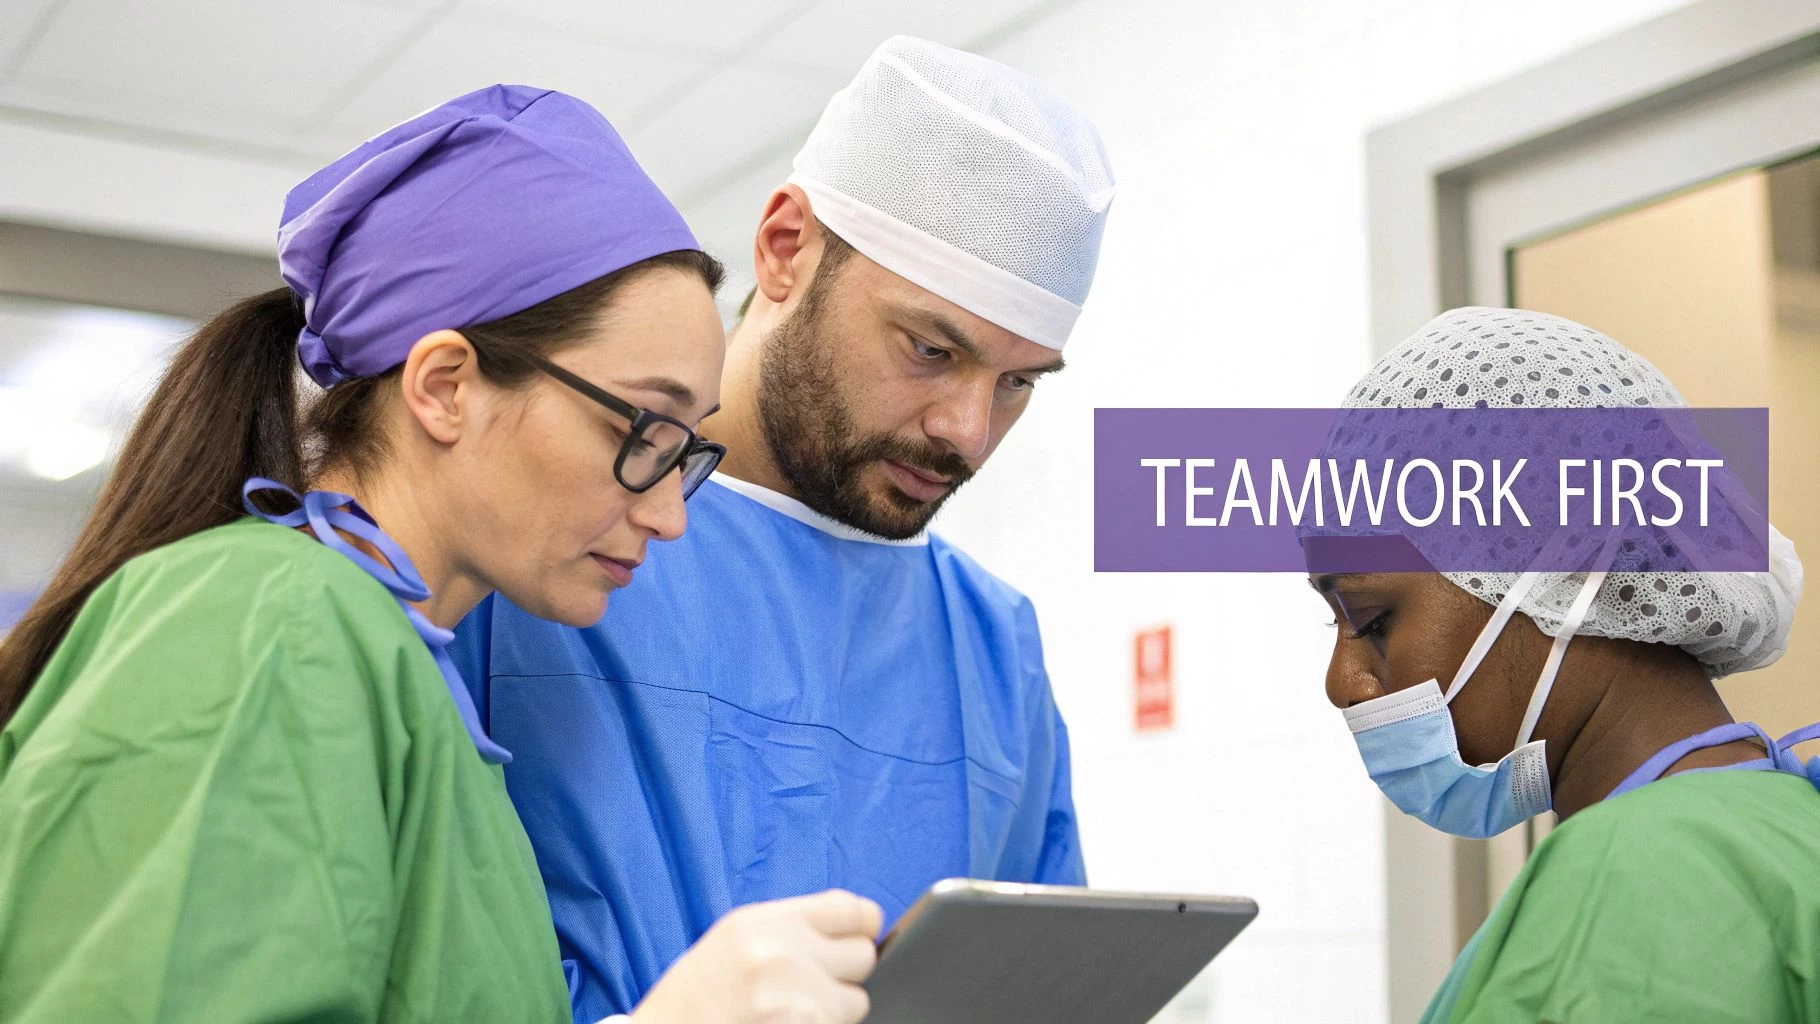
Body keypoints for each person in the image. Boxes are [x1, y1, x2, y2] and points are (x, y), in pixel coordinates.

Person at [0, 85, 881, 1024]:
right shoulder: (270, 626)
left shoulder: (415, 681)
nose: (670, 515)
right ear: (446, 386)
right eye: (644, 432)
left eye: (686, 451)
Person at [451, 36, 1116, 1020]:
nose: (968, 434)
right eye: (930, 349)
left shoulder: (991, 648)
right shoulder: (526, 555)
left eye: (1016, 383)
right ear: (783, 248)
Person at [1311, 307, 1814, 1022]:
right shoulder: (1781, 822)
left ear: (1568, 567)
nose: (1342, 681)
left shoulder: (1635, 884)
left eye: (1372, 619)